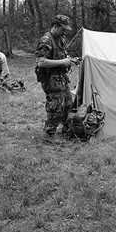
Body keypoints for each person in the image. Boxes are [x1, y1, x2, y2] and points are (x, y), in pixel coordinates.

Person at [34, 14, 80, 144]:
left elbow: (62, 55)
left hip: (61, 78)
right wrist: (62, 62)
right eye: (62, 29)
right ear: (55, 26)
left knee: (68, 104)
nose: (64, 31)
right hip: (50, 79)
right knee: (55, 107)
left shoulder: (61, 38)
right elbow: (41, 62)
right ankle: (48, 135)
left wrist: (69, 60)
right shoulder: (46, 40)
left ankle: (66, 131)